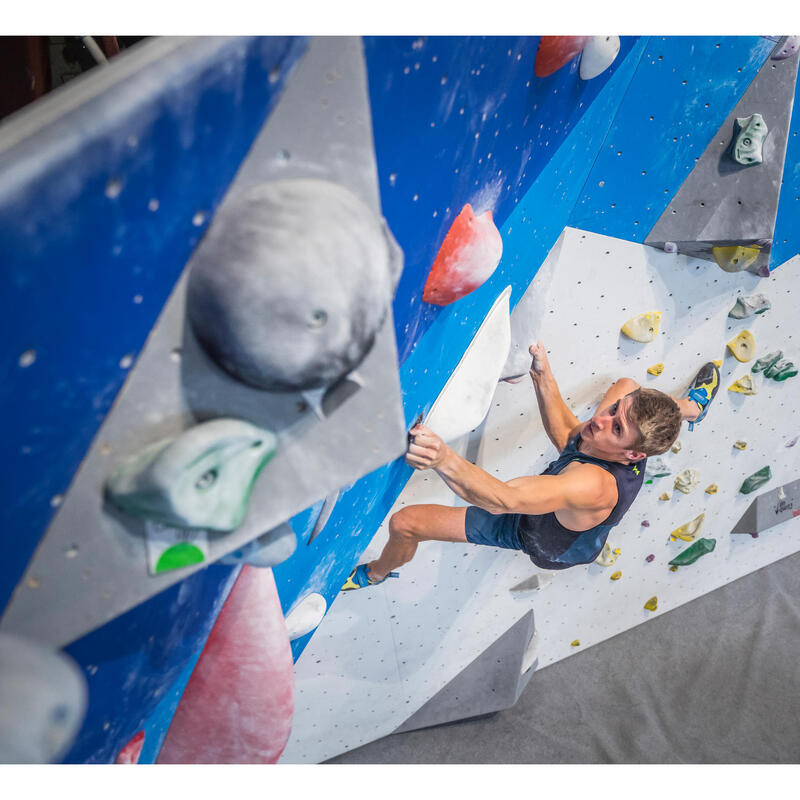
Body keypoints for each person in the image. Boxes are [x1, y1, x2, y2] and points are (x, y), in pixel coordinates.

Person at [342, 342, 720, 589]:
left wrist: (443, 458)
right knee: (625, 384)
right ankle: (691, 408)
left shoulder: (589, 485)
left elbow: (502, 500)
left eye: (617, 427)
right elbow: (577, 434)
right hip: (576, 487)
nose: (601, 419)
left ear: (634, 455)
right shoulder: (608, 427)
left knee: (405, 523)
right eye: (613, 411)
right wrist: (541, 373)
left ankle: (374, 575)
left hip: (540, 538)